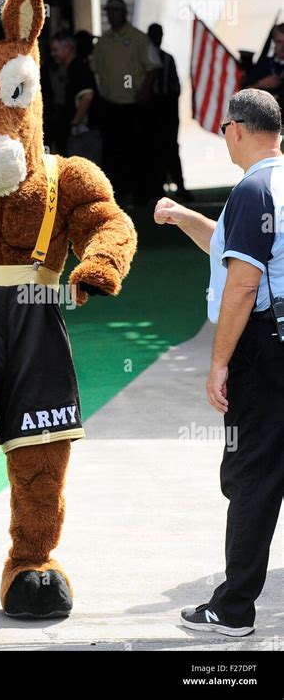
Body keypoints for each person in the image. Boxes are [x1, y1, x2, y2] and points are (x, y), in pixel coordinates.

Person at [154, 88, 283, 637]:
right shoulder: (272, 184)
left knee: (252, 475)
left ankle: (234, 609)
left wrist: (218, 363)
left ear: (235, 129)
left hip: (266, 349)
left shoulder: (254, 189)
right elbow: (234, 251)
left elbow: (243, 281)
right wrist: (186, 217)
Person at [90, 0, 161, 206]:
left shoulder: (139, 38)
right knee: (113, 152)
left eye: (115, 11)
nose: (111, 15)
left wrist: (144, 91)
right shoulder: (103, 42)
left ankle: (141, 194)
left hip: (135, 106)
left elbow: (153, 66)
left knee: (138, 151)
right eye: (108, 11)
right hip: (111, 106)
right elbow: (95, 70)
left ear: (124, 13)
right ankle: (118, 193)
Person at [147, 23, 191, 203]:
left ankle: (179, 186)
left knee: (171, 147)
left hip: (167, 108)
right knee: (155, 148)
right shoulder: (145, 59)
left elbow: (176, 87)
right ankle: (157, 187)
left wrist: (167, 103)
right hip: (153, 108)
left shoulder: (167, 59)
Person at [50, 30, 101, 164]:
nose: (53, 54)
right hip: (80, 133)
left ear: (67, 48)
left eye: (56, 50)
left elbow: (87, 95)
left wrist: (75, 122)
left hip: (84, 134)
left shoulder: (78, 68)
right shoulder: (72, 68)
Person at [242, 23, 284, 124]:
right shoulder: (262, 65)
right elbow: (242, 94)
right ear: (274, 42)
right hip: (258, 124)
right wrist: (261, 84)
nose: (282, 47)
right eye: (279, 42)